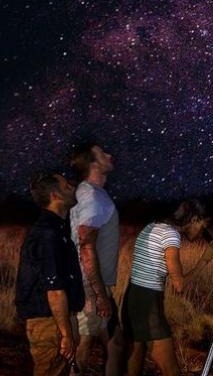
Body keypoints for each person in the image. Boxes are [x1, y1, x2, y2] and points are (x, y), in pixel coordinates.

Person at [122, 200, 213, 376]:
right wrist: (205, 259)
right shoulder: (170, 235)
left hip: (132, 299)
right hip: (148, 306)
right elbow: (179, 285)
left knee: (134, 362)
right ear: (194, 219)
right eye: (204, 225)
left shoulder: (152, 226)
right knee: (171, 370)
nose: (203, 232)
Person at [15, 171, 86, 376]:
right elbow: (54, 288)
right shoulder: (48, 232)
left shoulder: (57, 228)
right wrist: (65, 334)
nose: (72, 187)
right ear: (55, 196)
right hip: (50, 322)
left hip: (56, 320)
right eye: (66, 186)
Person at [68, 143, 125, 376]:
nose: (110, 154)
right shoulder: (92, 196)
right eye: (103, 153)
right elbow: (86, 244)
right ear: (92, 164)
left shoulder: (88, 193)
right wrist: (99, 294)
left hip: (91, 285)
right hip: (89, 286)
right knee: (84, 345)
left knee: (115, 343)